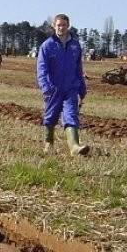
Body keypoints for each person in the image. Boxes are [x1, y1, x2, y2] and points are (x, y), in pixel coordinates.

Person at [37, 13, 89, 156]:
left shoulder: (75, 45)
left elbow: (79, 68)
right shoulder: (47, 46)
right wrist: (45, 86)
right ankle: (48, 144)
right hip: (53, 89)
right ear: (54, 26)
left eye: (64, 25)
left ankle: (74, 147)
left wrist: (81, 87)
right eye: (59, 25)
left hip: (70, 87)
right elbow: (42, 69)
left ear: (68, 26)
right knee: (50, 116)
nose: (61, 28)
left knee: (71, 115)